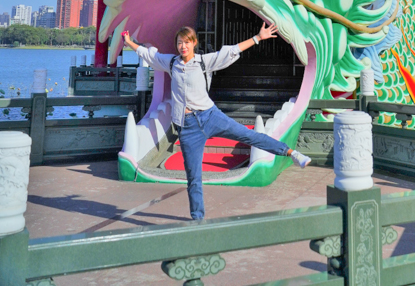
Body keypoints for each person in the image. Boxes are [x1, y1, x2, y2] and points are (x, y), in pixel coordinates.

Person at [122, 22, 311, 220]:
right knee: (194, 178)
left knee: (249, 135)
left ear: (194, 43)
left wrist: (257, 38)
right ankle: (198, 219)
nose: (183, 47)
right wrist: (129, 42)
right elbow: (149, 55)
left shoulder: (204, 61)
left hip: (211, 116)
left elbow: (231, 52)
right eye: (179, 43)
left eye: (187, 43)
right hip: (187, 128)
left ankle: (291, 152)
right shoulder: (171, 63)